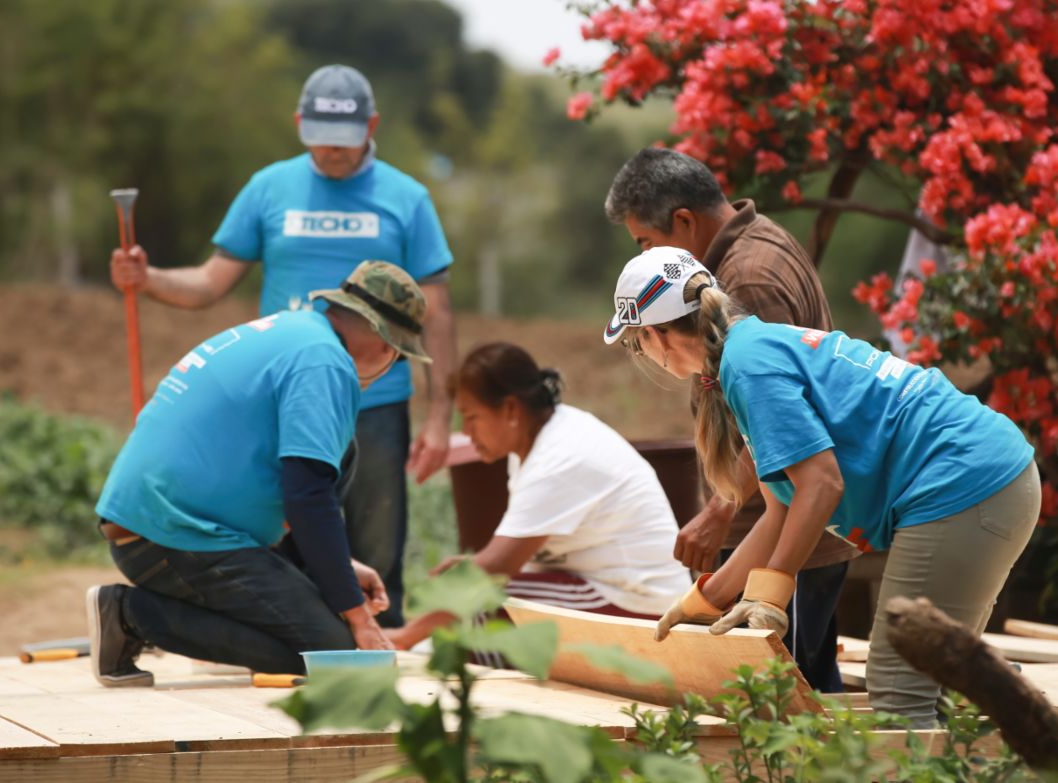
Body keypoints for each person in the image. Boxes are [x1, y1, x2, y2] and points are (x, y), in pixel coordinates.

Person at [604, 247, 1041, 727]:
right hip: (986, 479)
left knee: (898, 687)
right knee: (935, 680)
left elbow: (822, 484)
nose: (641, 352)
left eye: (634, 342)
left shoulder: (749, 367)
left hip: (966, 484)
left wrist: (770, 594)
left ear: (654, 333)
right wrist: (703, 602)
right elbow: (780, 513)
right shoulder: (748, 352)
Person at [108, 64, 455, 627]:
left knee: (376, 541)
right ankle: (290, 627)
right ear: (299, 123)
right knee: (283, 526)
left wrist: (441, 414)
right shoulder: (269, 187)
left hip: (377, 400)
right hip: (285, 397)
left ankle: (376, 638)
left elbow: (435, 314)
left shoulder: (407, 198)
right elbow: (210, 282)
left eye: (344, 140)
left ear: (372, 125)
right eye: (319, 137)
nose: (332, 152)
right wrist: (147, 280)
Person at [86, 261, 430, 686]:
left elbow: (293, 485)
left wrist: (339, 568)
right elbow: (307, 496)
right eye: (399, 354)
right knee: (331, 655)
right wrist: (358, 618)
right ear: (386, 343)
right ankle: (132, 615)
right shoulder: (325, 364)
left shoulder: (296, 331)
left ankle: (191, 625)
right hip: (174, 534)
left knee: (343, 452)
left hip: (158, 524)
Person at [603, 146, 855, 691]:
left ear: (684, 222)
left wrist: (721, 509)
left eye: (646, 242)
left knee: (782, 696)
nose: (646, 256)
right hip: (783, 518)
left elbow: (782, 420)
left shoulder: (749, 278)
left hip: (790, 527)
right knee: (798, 692)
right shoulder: (753, 247)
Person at [384, 342, 691, 650]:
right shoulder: (540, 442)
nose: (467, 430)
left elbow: (494, 568)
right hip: (611, 591)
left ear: (510, 409)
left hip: (639, 605)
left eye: (472, 417)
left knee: (479, 607)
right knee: (464, 603)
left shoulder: (558, 458)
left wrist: (406, 635)